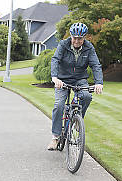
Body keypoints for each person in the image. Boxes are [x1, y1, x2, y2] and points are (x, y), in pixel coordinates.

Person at [47, 22, 104, 150]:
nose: (77, 41)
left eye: (80, 38)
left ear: (84, 38)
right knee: (59, 105)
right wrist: (55, 77)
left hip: (80, 79)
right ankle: (55, 137)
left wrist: (99, 82)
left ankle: (78, 120)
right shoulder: (63, 44)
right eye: (75, 38)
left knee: (87, 96)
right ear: (71, 36)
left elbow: (95, 65)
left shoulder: (89, 48)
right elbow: (55, 59)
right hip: (62, 79)